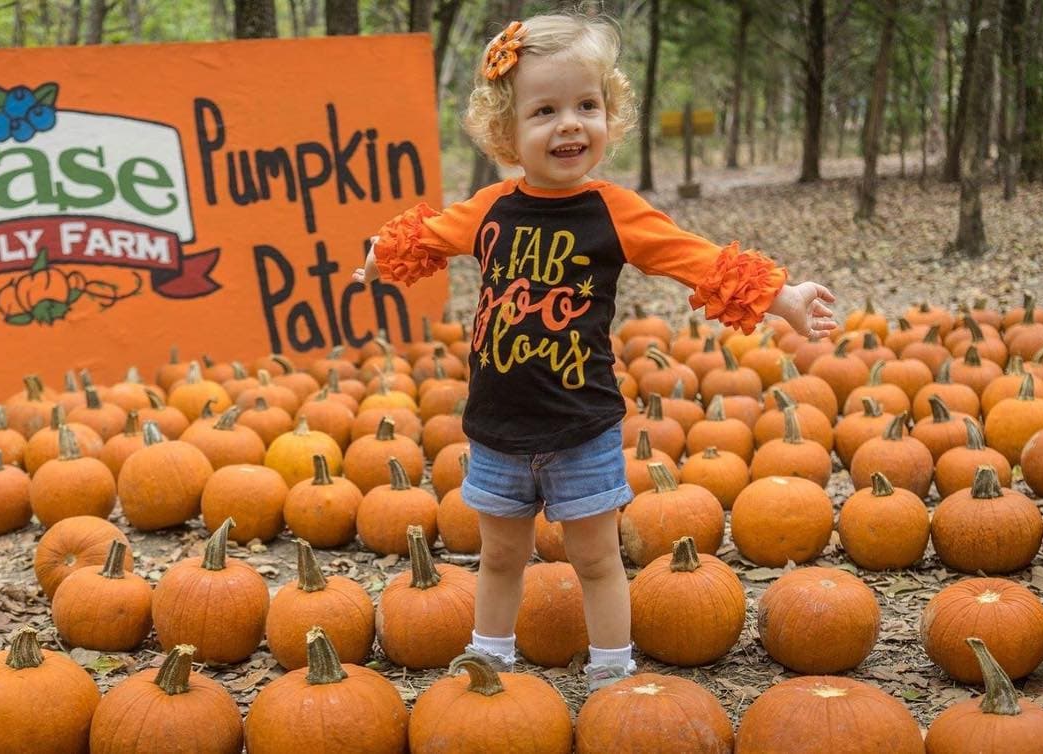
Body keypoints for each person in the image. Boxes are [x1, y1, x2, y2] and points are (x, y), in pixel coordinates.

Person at [352, 11, 837, 691]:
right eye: (545, 110)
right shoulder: (490, 209)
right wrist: (378, 258)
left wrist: (782, 296)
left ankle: (614, 676)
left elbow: (691, 258)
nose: (570, 124)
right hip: (497, 428)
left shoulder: (614, 211)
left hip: (583, 428)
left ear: (610, 115)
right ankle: (489, 660)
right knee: (499, 556)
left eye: (587, 105)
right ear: (507, 131)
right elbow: (429, 234)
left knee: (597, 559)